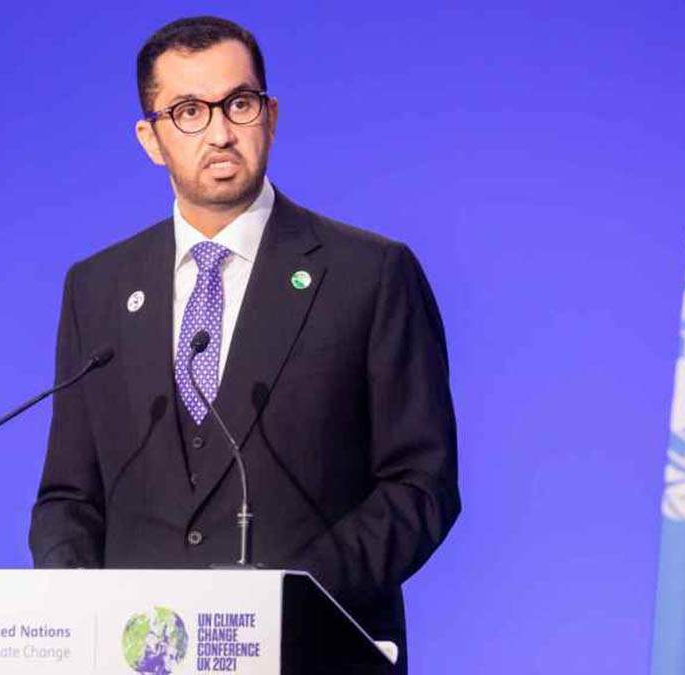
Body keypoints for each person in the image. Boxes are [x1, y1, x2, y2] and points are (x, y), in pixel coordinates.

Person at [28, 16, 459, 671]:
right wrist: (87, 612)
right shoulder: (98, 288)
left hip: (313, 651)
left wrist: (287, 599)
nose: (221, 131)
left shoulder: (369, 275)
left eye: (239, 103)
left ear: (271, 115)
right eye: (189, 111)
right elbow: (68, 498)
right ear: (150, 138)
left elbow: (420, 485)